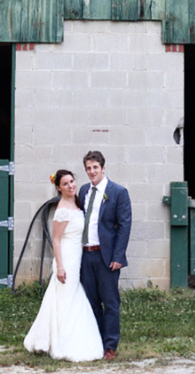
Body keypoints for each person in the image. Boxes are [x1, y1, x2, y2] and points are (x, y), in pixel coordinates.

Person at [23, 169, 104, 362]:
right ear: (58, 188)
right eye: (66, 184)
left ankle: (64, 336)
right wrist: (60, 266)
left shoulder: (76, 204)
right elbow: (57, 240)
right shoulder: (61, 210)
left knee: (70, 296)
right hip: (66, 259)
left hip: (78, 257)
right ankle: (61, 341)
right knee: (66, 298)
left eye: (72, 181)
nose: (71, 186)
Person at [78, 150, 131, 361]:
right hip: (86, 255)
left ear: (103, 168)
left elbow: (124, 226)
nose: (92, 172)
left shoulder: (118, 192)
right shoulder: (83, 191)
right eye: (88, 168)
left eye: (95, 168)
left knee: (110, 302)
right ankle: (96, 342)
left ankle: (110, 346)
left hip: (107, 256)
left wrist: (118, 256)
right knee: (91, 302)